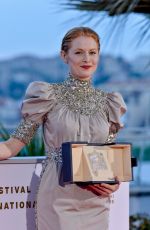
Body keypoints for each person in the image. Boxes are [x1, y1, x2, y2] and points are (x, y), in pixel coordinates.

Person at [0, 27, 127, 230]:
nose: (87, 59)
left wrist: (115, 182)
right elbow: (14, 144)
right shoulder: (47, 96)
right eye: (78, 52)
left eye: (92, 52)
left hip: (96, 200)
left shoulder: (109, 102)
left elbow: (108, 157)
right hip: (58, 197)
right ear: (64, 56)